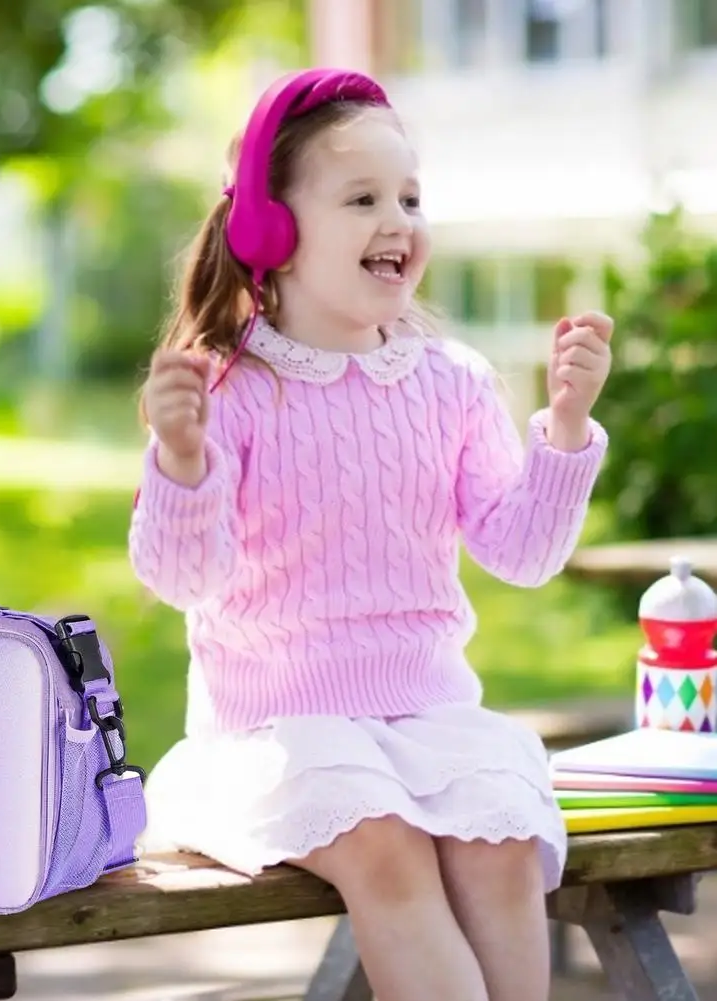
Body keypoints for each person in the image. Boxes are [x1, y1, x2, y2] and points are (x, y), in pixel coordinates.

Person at [128, 67, 612, 1001]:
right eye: (362, 198)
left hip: (428, 719)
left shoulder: (452, 382)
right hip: (273, 730)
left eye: (410, 196)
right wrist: (182, 461)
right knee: (388, 852)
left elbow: (520, 551)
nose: (398, 220)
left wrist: (561, 426)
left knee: (503, 848)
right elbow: (182, 576)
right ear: (273, 230)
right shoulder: (231, 389)